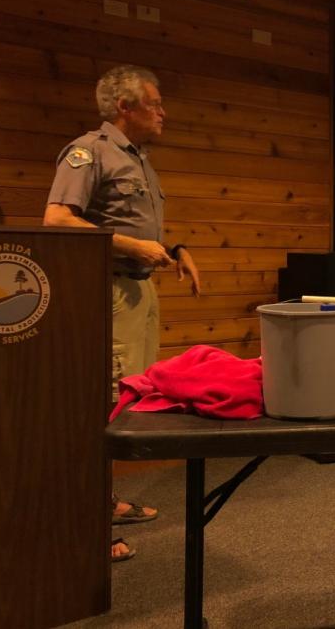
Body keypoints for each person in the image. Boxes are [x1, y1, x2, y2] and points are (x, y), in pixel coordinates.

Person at [44, 65, 201, 561]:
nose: (163, 112)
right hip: (107, 290)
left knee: (126, 397)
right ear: (124, 107)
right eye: (154, 104)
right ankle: (86, 521)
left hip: (139, 291)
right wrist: (134, 246)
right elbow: (57, 219)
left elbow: (128, 223)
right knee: (103, 404)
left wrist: (173, 248)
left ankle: (105, 501)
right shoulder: (88, 151)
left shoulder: (138, 160)